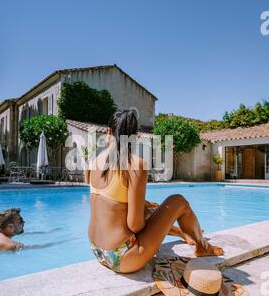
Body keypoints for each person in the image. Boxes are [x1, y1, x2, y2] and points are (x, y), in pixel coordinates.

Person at [85, 109, 224, 274]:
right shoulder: (135, 164)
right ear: (135, 136)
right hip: (122, 257)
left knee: (147, 206)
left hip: (97, 251)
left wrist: (149, 209)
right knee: (178, 201)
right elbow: (134, 226)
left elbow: (113, 205)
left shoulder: (94, 161)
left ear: (109, 131)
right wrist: (152, 213)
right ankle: (203, 247)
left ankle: (182, 233)